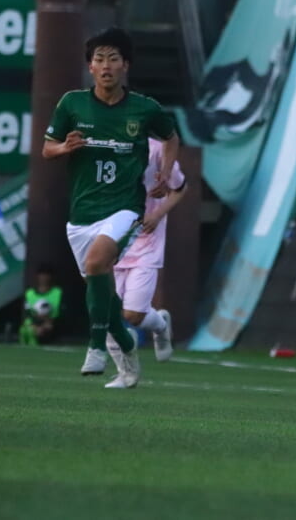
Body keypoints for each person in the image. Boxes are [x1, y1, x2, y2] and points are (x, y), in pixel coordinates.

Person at [42, 27, 179, 388]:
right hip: (82, 215)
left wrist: (165, 170)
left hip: (125, 208)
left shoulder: (144, 108)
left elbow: (171, 137)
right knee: (107, 299)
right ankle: (129, 357)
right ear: (90, 66)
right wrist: (64, 148)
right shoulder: (72, 104)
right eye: (99, 59)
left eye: (113, 59)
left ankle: (95, 348)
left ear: (125, 66)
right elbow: (47, 149)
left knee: (97, 263)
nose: (106, 66)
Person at [103, 137, 187, 387]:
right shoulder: (104, 144)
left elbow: (180, 188)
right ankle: (125, 373)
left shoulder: (158, 150)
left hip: (146, 243)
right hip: (112, 240)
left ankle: (160, 325)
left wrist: (158, 214)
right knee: (105, 312)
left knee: (133, 315)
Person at [19, 264, 63, 345]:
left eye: (47, 275)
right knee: (25, 330)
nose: (44, 278)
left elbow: (63, 313)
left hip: (51, 324)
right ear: (37, 276)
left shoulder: (57, 292)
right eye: (42, 275)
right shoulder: (30, 293)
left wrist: (48, 321)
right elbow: (27, 313)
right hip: (33, 323)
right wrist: (35, 325)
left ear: (51, 277)